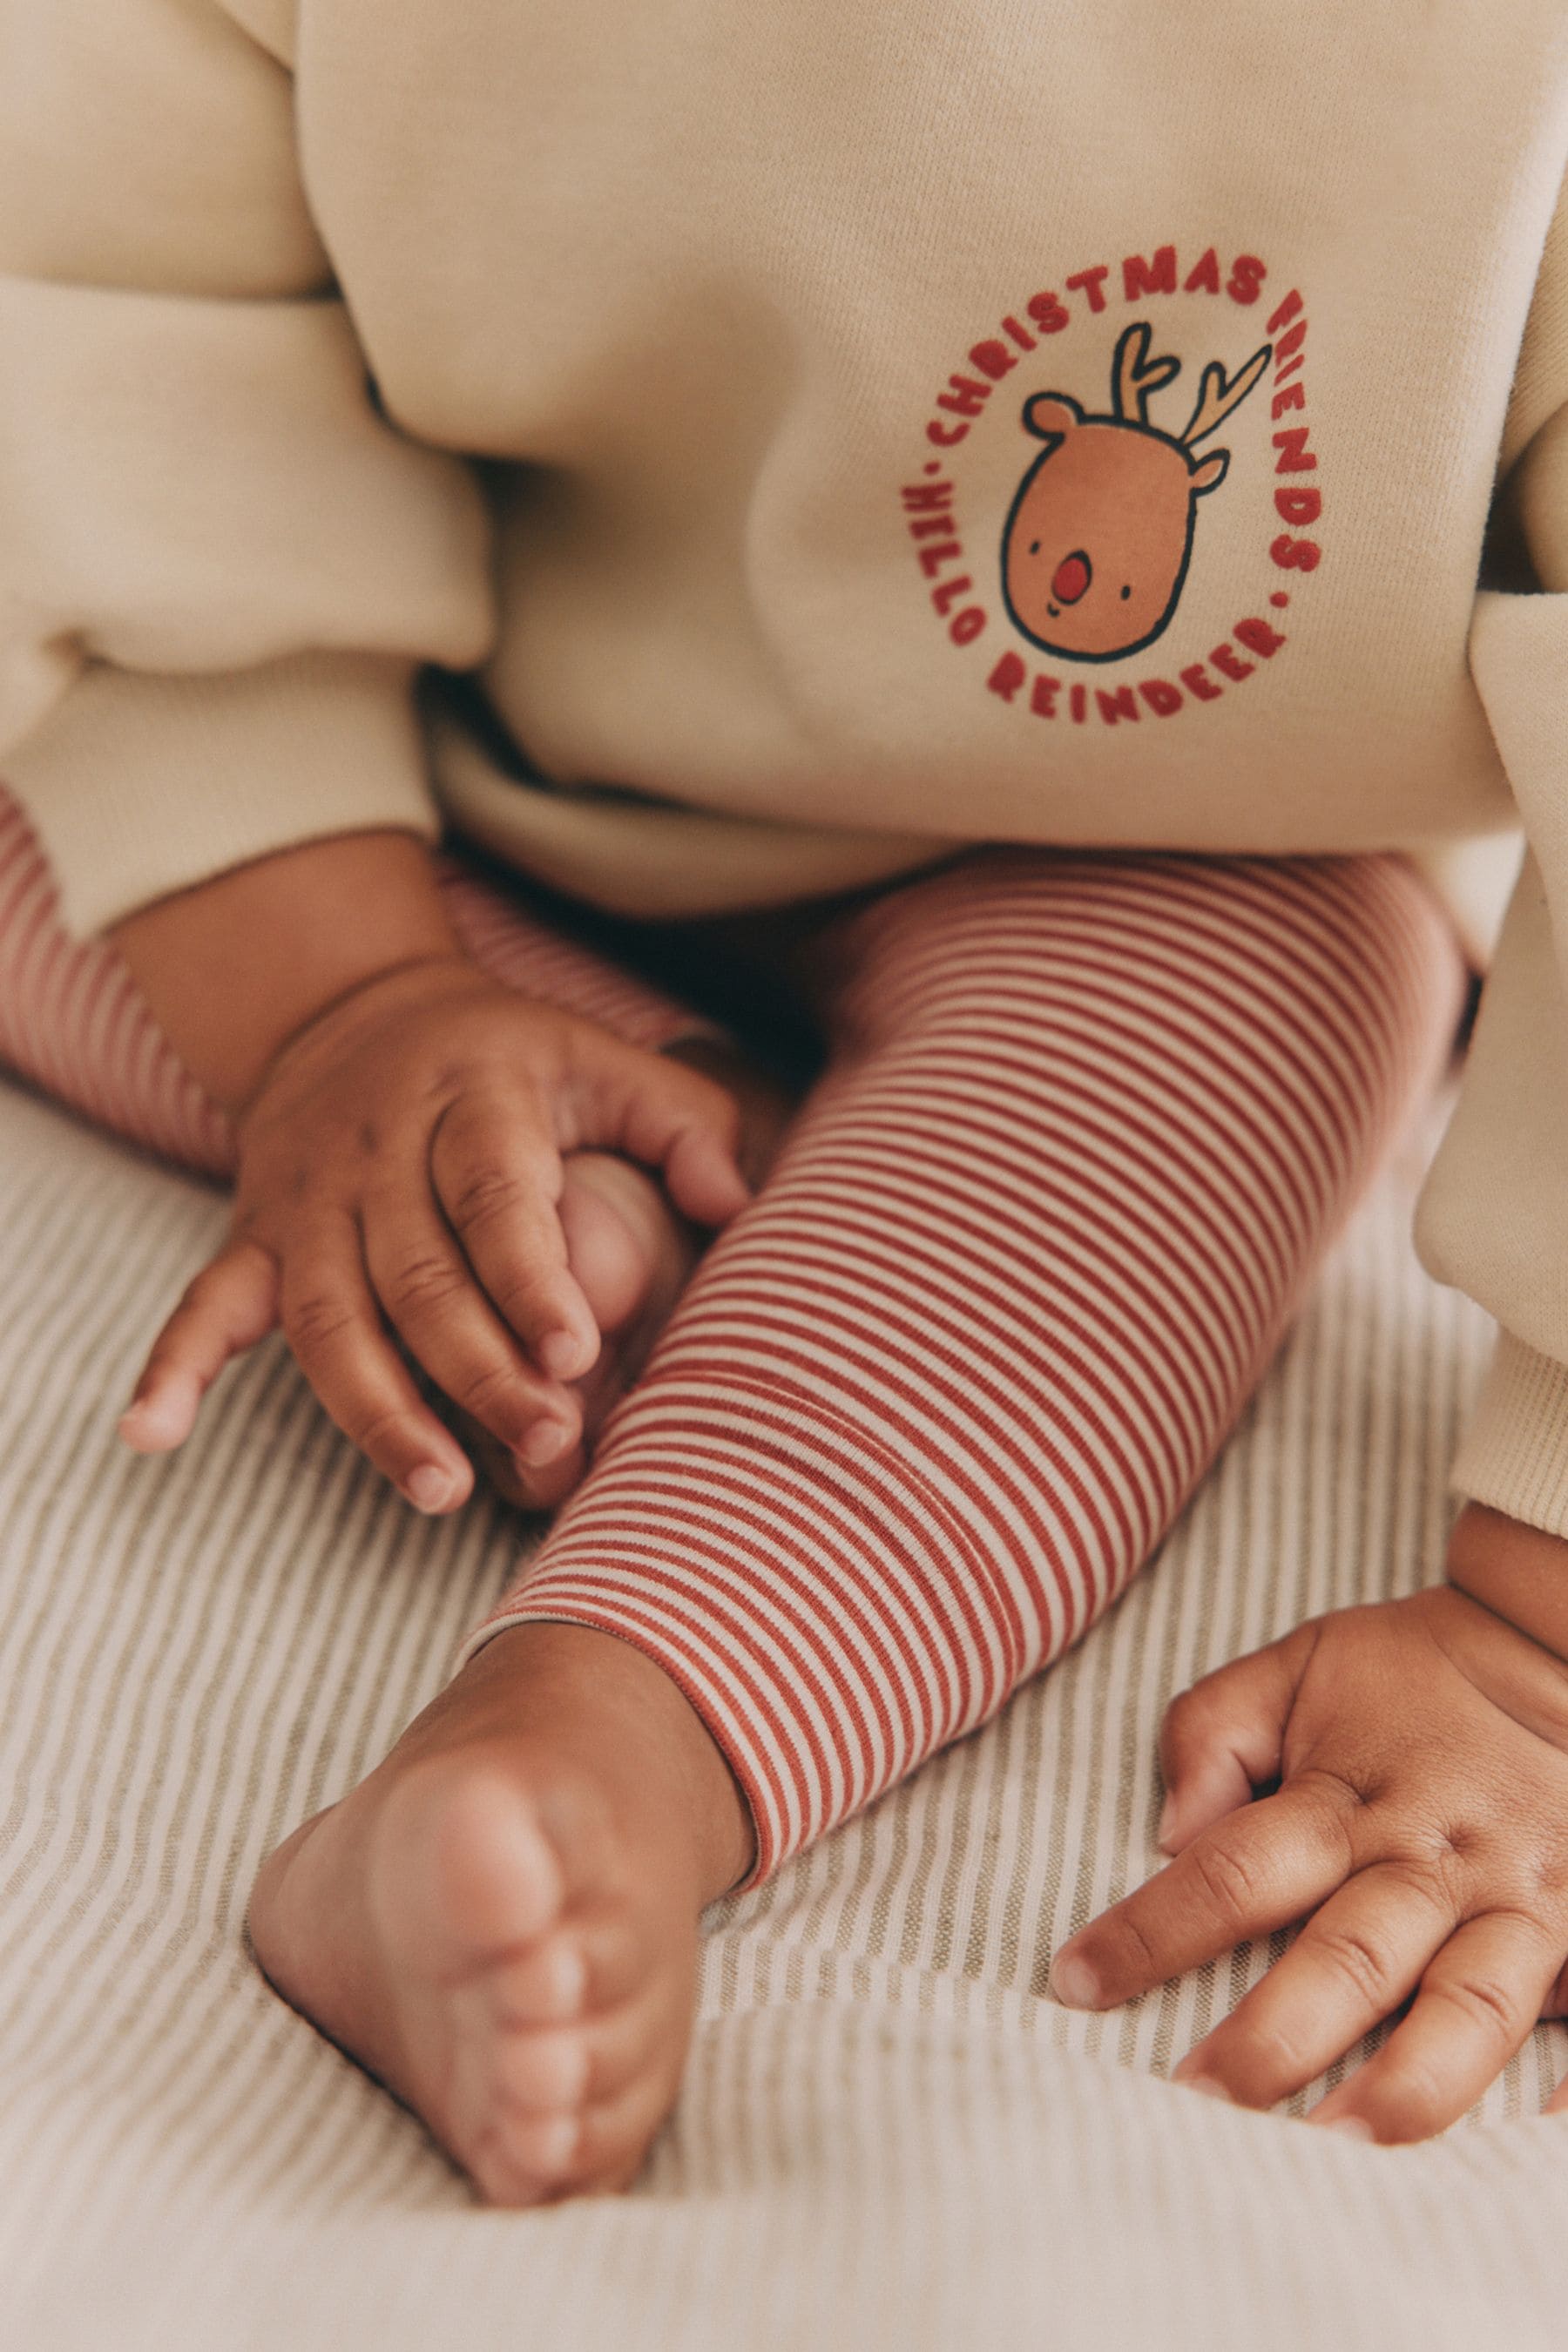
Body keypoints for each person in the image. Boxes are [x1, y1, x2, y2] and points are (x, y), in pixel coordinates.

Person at [4, 0, 1568, 2203]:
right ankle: (608, 1135)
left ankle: (608, 1726)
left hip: (1160, 857)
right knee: (70, 753)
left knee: (1240, 1026)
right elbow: (100, 329)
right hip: (397, 750)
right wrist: (337, 991)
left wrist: (1533, 1636)